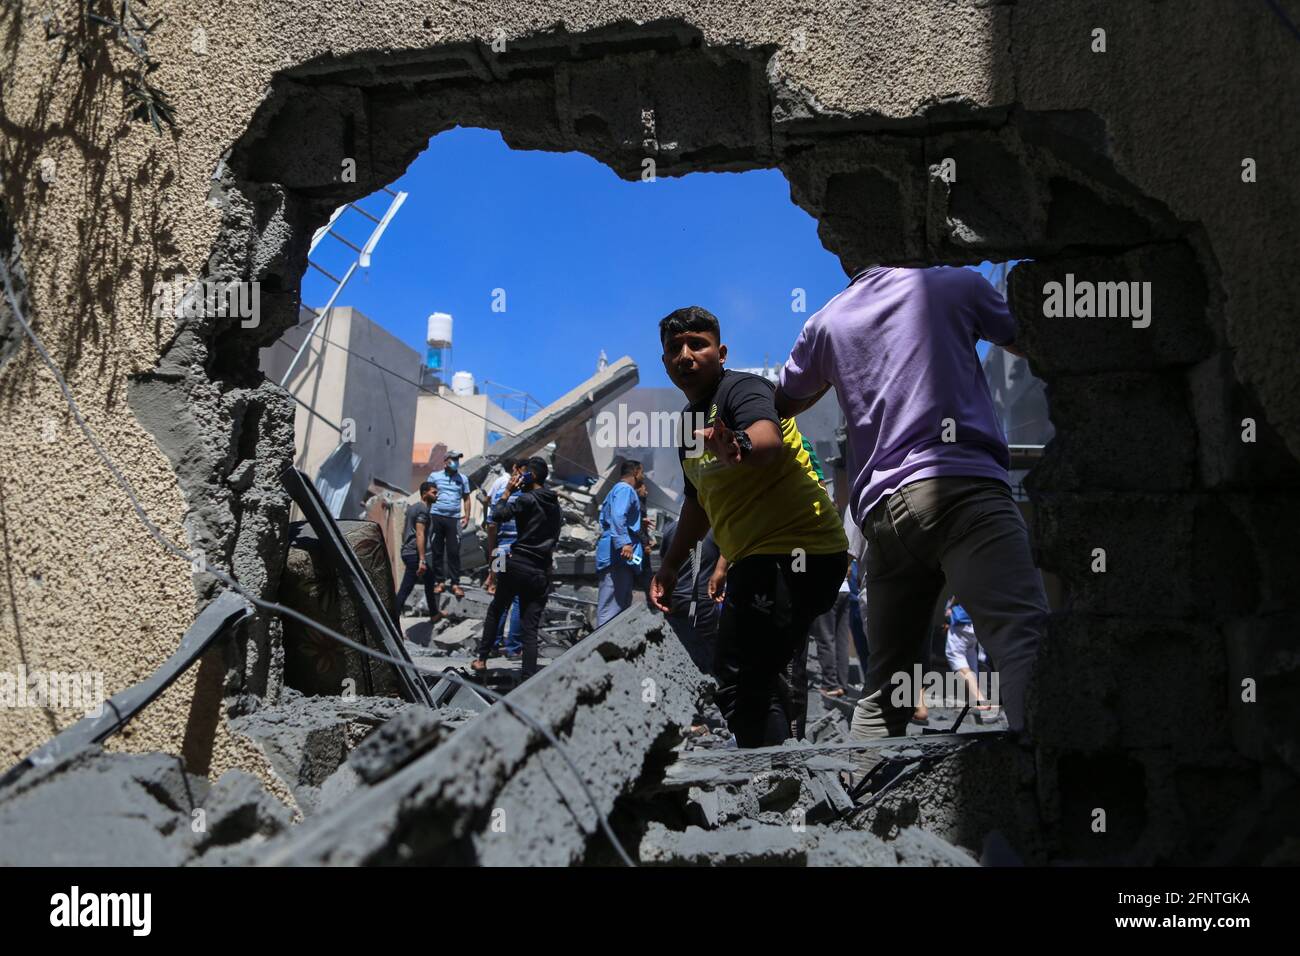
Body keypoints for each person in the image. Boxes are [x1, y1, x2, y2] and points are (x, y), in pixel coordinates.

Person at [774, 265, 1047, 742]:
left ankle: (862, 804)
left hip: (887, 515)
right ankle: (1053, 791)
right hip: (963, 488)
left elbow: (785, 398)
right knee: (1022, 639)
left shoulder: (826, 322)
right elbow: (1029, 341)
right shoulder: (955, 285)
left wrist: (840, 369)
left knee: (887, 691)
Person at [649, 305, 849, 748]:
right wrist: (670, 565)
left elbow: (767, 441)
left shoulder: (741, 389)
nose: (686, 355)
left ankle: (774, 784)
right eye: (674, 349)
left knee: (740, 680)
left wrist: (736, 445)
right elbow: (697, 502)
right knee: (757, 675)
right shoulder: (688, 424)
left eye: (697, 345)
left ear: (720, 353)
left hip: (795, 553)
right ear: (664, 362)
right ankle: (784, 773)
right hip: (762, 557)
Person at [471, 457, 562, 681]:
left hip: (512, 556)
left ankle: (484, 656)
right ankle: (526, 674)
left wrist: (507, 494)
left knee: (498, 606)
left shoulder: (519, 495)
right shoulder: (554, 503)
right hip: (537, 566)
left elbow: (495, 519)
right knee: (528, 624)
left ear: (526, 475)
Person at [595, 459, 644, 627]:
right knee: (611, 608)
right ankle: (601, 648)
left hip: (618, 556)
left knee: (619, 606)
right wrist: (625, 543)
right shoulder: (625, 490)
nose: (642, 476)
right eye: (642, 472)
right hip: (618, 556)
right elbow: (618, 516)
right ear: (636, 472)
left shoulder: (619, 489)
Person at [484, 459, 523, 657]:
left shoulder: (501, 495)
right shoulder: (528, 497)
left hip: (500, 551)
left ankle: (492, 645)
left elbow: (491, 527)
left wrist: (492, 562)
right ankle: (514, 647)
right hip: (518, 553)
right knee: (517, 599)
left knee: (500, 598)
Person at [426, 450, 472, 599]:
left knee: (453, 551)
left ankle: (455, 583)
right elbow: (427, 495)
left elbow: (466, 498)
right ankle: (439, 581)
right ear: (445, 461)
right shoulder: (435, 477)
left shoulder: (463, 479)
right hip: (436, 516)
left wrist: (467, 516)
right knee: (437, 550)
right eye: (453, 459)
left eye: (457, 459)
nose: (456, 462)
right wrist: (426, 514)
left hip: (454, 518)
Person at [393, 481, 438, 622]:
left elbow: (403, 532)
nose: (437, 495)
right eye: (434, 492)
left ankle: (434, 613)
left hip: (409, 551)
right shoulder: (422, 510)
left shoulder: (413, 508)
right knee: (406, 588)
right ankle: (391, 619)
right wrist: (422, 560)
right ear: (425, 494)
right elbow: (420, 534)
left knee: (429, 579)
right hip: (414, 554)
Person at [944, 597, 995, 716]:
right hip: (975, 624)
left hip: (962, 621)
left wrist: (950, 609)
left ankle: (979, 700)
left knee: (955, 656)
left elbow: (958, 592)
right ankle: (972, 701)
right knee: (970, 659)